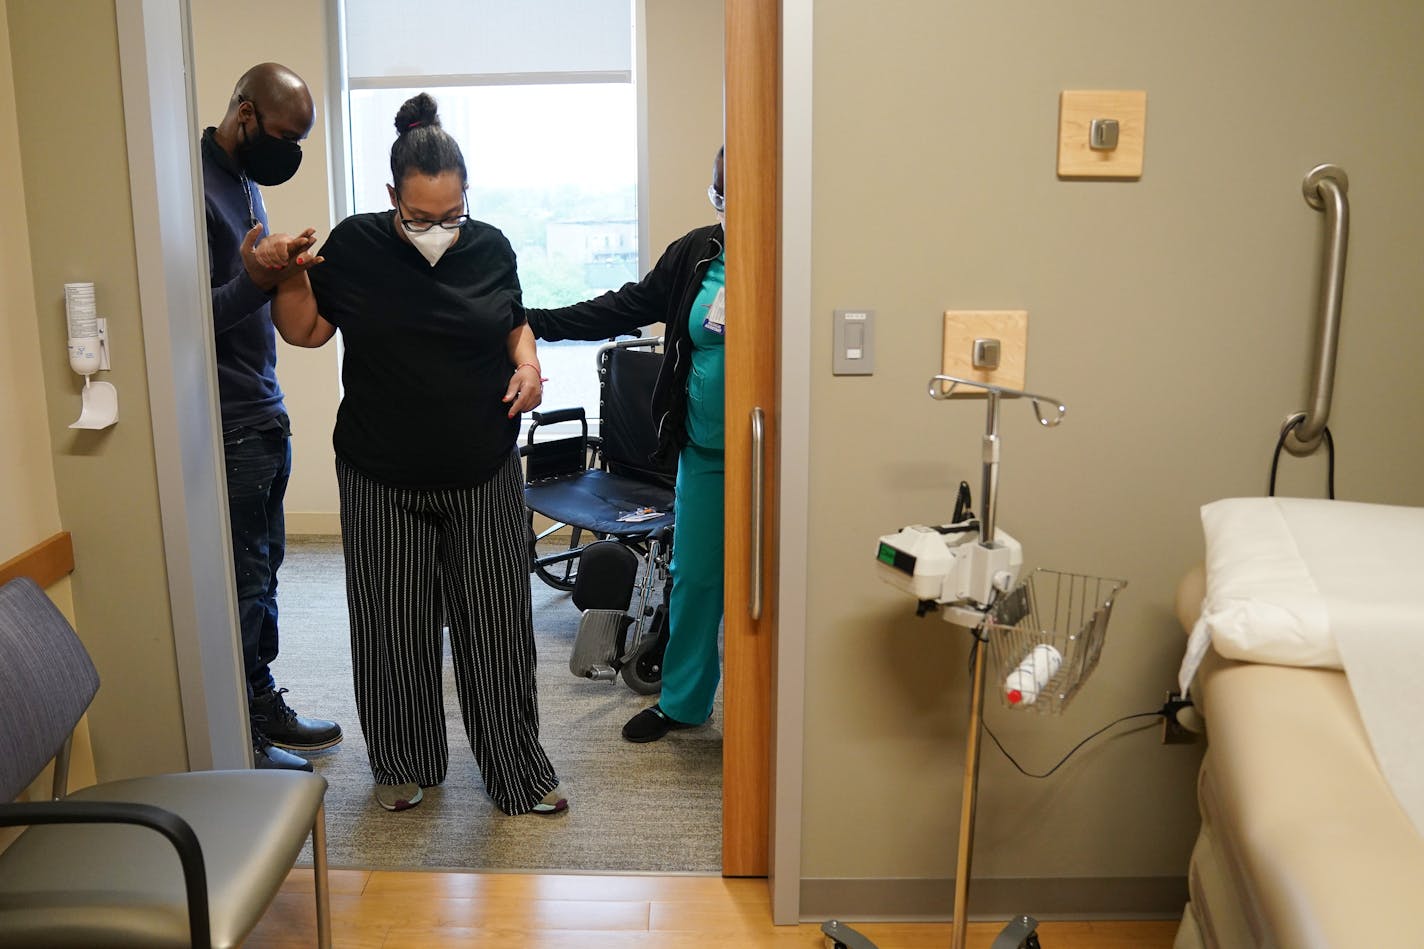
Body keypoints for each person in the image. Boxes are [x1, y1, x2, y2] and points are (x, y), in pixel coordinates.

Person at [265, 93, 566, 816]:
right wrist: (286, 272)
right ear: (393, 197)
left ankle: (517, 771)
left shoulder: (491, 246)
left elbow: (513, 325)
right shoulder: (357, 245)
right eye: (423, 216)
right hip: (380, 473)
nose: (440, 230)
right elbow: (305, 331)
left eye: (452, 215)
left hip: (482, 469)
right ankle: (404, 763)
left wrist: (528, 368)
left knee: (497, 629)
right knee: (392, 627)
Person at [526, 146, 727, 743]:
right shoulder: (698, 254)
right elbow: (630, 305)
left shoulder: (792, 256)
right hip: (706, 450)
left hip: (778, 455)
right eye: (720, 189)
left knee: (779, 585)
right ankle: (685, 703)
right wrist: (538, 320)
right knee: (694, 578)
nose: (727, 202)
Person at [203, 62, 342, 771]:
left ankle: (262, 701)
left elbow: (243, 287)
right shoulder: (191, 187)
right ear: (245, 112)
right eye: (284, 135)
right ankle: (244, 740)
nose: (288, 152)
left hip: (262, 410)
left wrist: (277, 264)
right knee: (246, 580)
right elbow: (193, 321)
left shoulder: (243, 181)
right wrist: (258, 279)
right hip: (228, 420)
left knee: (265, 568)